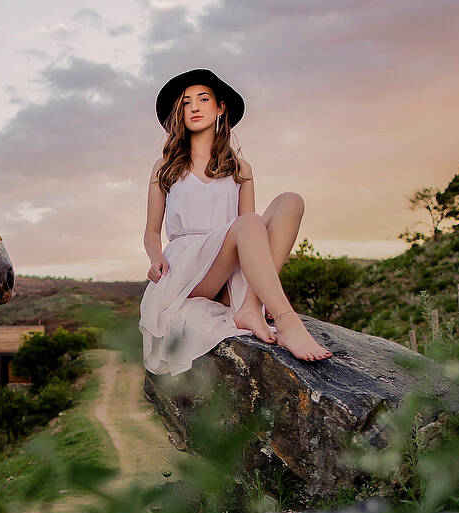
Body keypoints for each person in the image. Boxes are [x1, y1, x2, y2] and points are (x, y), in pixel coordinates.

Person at [140, 67, 332, 376]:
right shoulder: (165, 167)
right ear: (179, 113)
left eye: (203, 99)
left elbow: (252, 234)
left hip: (230, 265)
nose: (195, 107)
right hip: (188, 271)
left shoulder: (240, 168)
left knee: (290, 201)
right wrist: (155, 257)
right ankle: (286, 320)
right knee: (248, 223)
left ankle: (250, 305)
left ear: (220, 108)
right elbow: (151, 231)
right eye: (187, 103)